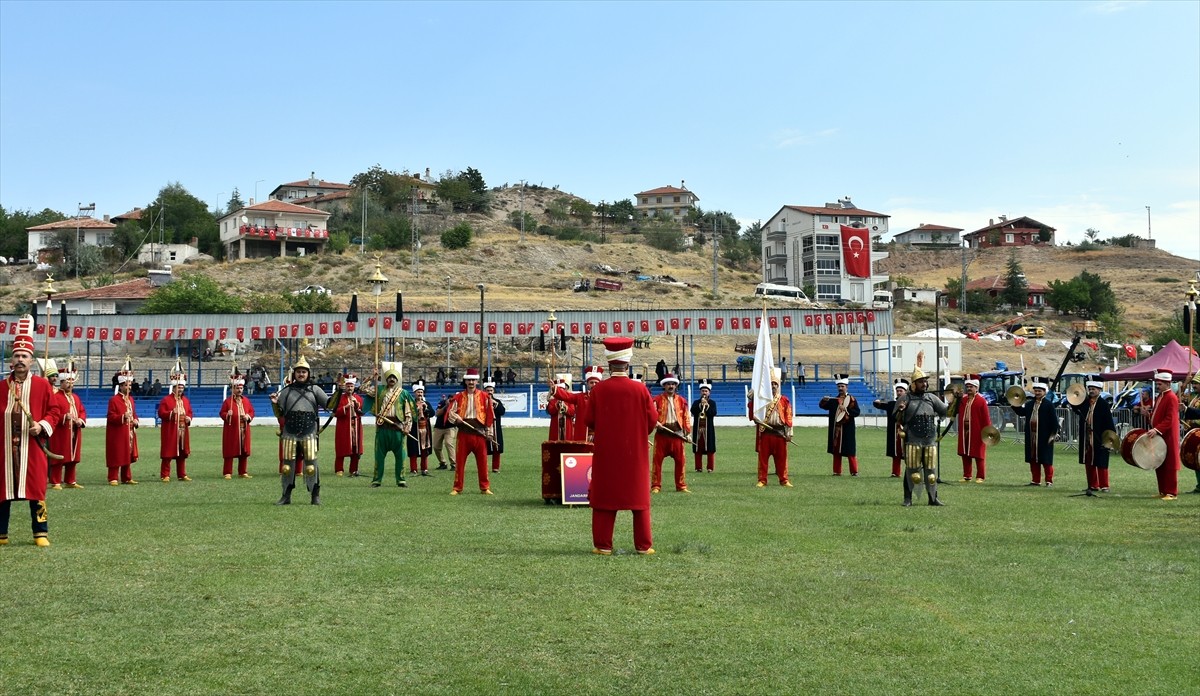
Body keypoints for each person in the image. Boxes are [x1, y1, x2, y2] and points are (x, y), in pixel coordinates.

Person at [583, 336, 659, 555]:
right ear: (628, 363)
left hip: (607, 453)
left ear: (609, 364)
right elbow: (652, 420)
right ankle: (643, 545)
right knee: (639, 500)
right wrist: (638, 433)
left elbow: (589, 420)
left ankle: (603, 545)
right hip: (635, 453)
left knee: (605, 498)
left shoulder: (598, 390)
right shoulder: (641, 389)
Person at [0, 318, 62, 547]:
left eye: (24, 356)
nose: (19, 360)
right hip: (4, 446)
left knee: (35, 487)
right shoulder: (1, 387)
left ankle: (40, 532)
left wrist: (43, 425)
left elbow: (55, 410)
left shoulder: (42, 385)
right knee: (2, 489)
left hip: (31, 445)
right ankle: (1, 534)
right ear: (11, 361)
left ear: (31, 361)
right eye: (16, 356)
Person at [271, 355, 329, 505]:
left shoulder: (315, 389)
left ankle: (315, 495)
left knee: (311, 466)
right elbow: (280, 413)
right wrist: (274, 403)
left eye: (304, 371)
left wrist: (339, 392)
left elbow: (329, 405)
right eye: (298, 372)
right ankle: (286, 495)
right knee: (287, 467)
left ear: (308, 373)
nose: (301, 374)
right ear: (294, 374)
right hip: (290, 432)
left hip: (309, 432)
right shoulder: (286, 391)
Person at [897, 362, 948, 506]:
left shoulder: (931, 398)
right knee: (912, 471)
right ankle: (908, 498)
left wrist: (955, 401)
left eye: (925, 381)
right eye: (921, 382)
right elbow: (896, 418)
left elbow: (946, 411)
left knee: (931, 473)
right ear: (913, 384)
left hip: (930, 441)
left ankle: (933, 498)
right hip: (913, 440)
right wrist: (901, 410)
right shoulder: (904, 399)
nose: (924, 384)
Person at [447, 367, 496, 495]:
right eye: (469, 380)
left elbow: (489, 416)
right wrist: (455, 418)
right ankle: (457, 487)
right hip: (464, 433)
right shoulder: (458, 397)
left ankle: (484, 487)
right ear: (466, 381)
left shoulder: (485, 396)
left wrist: (489, 432)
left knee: (483, 462)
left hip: (479, 433)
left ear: (476, 382)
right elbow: (450, 412)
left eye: (473, 380)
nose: (471, 383)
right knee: (460, 462)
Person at [371, 362, 414, 489]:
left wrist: (407, 427)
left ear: (397, 380)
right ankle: (377, 480)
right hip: (382, 428)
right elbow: (363, 389)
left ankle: (401, 480)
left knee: (401, 457)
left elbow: (408, 412)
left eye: (394, 378)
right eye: (389, 377)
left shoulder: (403, 393)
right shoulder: (379, 391)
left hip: (397, 429)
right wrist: (373, 378)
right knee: (379, 457)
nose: (392, 379)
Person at [1070, 375, 1116, 494]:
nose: (1091, 391)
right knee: (1089, 461)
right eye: (1089, 388)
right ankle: (1092, 485)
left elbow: (1109, 423)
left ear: (1099, 390)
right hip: (1086, 437)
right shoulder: (1084, 402)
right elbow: (1075, 406)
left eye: (1094, 388)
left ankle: (1104, 485)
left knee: (1101, 462)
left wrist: (1110, 438)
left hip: (1099, 436)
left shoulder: (1103, 404)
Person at [1012, 376, 1059, 487]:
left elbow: (1054, 422)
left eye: (1040, 391)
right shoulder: (1030, 404)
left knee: (1046, 459)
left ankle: (1049, 480)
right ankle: (1035, 480)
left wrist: (1053, 435)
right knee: (1033, 459)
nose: (1037, 392)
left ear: (1044, 391)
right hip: (1031, 435)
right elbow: (1022, 412)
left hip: (1044, 436)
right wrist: (1014, 404)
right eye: (1036, 390)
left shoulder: (1048, 405)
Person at [651, 373, 691, 494]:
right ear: (664, 385)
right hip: (662, 435)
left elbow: (686, 418)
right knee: (657, 462)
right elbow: (651, 415)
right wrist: (655, 422)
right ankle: (656, 486)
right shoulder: (656, 400)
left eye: (673, 384)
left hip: (677, 435)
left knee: (681, 462)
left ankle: (681, 485)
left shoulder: (682, 401)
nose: (671, 386)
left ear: (676, 386)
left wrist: (687, 433)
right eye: (668, 384)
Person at [49, 359, 86, 490]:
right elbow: (52, 413)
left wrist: (80, 420)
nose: (70, 384)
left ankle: (70, 480)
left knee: (73, 457)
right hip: (61, 431)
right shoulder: (55, 396)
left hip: (74, 431)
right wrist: (64, 417)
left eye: (72, 382)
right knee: (59, 456)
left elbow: (81, 410)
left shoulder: (75, 397)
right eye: (67, 382)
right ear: (62, 382)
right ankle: (55, 481)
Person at [753, 368, 793, 487]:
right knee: (763, 459)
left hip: (779, 433)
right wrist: (751, 399)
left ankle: (784, 479)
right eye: (771, 384)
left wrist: (789, 433)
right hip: (766, 433)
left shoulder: (784, 400)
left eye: (775, 384)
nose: (773, 386)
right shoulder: (762, 401)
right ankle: (762, 480)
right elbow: (755, 410)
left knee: (782, 459)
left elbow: (789, 416)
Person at [1147, 371, 1181, 500]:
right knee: (1159, 462)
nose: (1157, 385)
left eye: (1160, 383)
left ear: (1167, 383)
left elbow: (1170, 418)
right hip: (1160, 434)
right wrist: (1148, 416)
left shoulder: (1171, 397)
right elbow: (1157, 415)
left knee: (1170, 463)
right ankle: (1163, 490)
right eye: (1157, 383)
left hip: (1168, 435)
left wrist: (1156, 429)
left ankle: (1171, 492)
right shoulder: (1161, 396)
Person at [157, 366, 193, 483]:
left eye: (182, 387)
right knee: (168, 453)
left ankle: (182, 474)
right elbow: (161, 413)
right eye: (179, 387)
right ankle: (165, 474)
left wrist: (189, 418)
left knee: (182, 453)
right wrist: (172, 413)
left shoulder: (186, 400)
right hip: (171, 429)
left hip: (183, 429)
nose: (181, 389)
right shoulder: (166, 400)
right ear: (174, 387)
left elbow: (190, 412)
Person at [819, 375, 861, 476]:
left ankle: (854, 471)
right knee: (836, 450)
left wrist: (846, 410)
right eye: (839, 386)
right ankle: (837, 471)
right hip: (836, 429)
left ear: (846, 386)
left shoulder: (852, 399)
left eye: (842, 386)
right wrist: (824, 400)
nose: (840, 388)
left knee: (850, 450)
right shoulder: (833, 399)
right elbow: (822, 406)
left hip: (848, 429)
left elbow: (857, 412)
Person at [106, 362, 140, 485]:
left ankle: (127, 477)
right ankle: (113, 477)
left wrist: (135, 420)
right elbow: (111, 417)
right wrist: (122, 417)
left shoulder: (130, 399)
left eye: (130, 384)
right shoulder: (113, 400)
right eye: (126, 385)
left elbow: (134, 413)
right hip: (118, 431)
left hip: (129, 431)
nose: (128, 387)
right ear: (120, 386)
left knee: (128, 453)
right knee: (117, 453)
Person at [955, 375, 993, 483]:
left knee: (978, 454)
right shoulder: (963, 400)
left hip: (977, 432)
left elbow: (986, 419)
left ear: (976, 387)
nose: (969, 388)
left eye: (971, 386)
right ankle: (967, 475)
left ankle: (980, 476)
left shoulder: (981, 401)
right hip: (964, 431)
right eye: (967, 386)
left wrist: (987, 432)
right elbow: (953, 408)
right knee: (965, 453)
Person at [219, 370, 255, 479]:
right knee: (230, 450)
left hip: (244, 429)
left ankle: (243, 472)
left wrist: (248, 416)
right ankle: (227, 472)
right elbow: (222, 413)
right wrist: (227, 414)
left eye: (241, 388)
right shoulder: (227, 402)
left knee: (244, 450)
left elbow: (252, 412)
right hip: (232, 429)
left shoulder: (246, 401)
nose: (239, 390)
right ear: (233, 389)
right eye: (237, 388)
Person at [552, 365, 602, 443]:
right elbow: (567, 396)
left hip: (600, 433)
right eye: (591, 382)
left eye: (596, 382)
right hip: (583, 434)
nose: (594, 385)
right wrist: (554, 388)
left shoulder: (605, 397)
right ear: (587, 384)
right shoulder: (580, 397)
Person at [872, 379, 908, 478]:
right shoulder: (892, 404)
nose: (899, 392)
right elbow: (878, 405)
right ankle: (895, 472)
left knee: (908, 452)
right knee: (896, 453)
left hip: (907, 431)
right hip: (894, 432)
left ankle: (910, 472)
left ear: (905, 391)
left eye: (901, 390)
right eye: (898, 390)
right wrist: (877, 402)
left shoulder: (910, 403)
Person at [331, 373, 365, 477]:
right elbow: (335, 412)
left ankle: (353, 469)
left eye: (351, 386)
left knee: (356, 449)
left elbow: (361, 412)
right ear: (345, 387)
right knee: (341, 447)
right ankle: (339, 469)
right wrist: (345, 407)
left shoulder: (359, 398)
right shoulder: (340, 398)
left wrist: (356, 405)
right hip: (344, 426)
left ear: (354, 387)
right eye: (348, 386)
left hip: (356, 427)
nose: (350, 388)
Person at [406, 380, 435, 476]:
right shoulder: (411, 403)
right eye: (418, 392)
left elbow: (432, 413)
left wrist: (426, 408)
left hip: (425, 429)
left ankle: (424, 468)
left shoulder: (426, 403)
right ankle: (413, 469)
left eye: (421, 392)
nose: (420, 394)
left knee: (424, 449)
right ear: (414, 393)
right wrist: (416, 409)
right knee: (413, 448)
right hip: (414, 428)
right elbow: (408, 414)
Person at [691, 379, 718, 473]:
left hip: (708, 429)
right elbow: (693, 411)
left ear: (709, 392)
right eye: (702, 391)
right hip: (698, 428)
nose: (704, 393)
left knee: (710, 448)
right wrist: (700, 405)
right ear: (700, 392)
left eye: (706, 391)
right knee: (698, 447)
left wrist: (706, 407)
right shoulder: (695, 402)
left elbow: (713, 413)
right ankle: (698, 467)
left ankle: (710, 468)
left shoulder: (712, 403)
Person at [546, 374, 577, 442]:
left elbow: (572, 412)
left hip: (567, 426)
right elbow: (550, 411)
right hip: (555, 426)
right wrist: (556, 406)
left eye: (562, 389)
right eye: (559, 390)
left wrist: (565, 408)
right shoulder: (552, 401)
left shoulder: (569, 400)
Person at [483, 381, 505, 473]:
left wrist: (495, 404)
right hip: (484, 427)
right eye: (488, 390)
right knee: (483, 448)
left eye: (491, 390)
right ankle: (483, 468)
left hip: (496, 427)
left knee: (497, 447)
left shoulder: (498, 402)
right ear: (484, 391)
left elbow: (502, 412)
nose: (489, 392)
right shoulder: (481, 401)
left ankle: (495, 467)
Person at [432, 392, 457, 471]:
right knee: (436, 447)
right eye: (450, 398)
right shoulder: (442, 403)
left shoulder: (457, 405)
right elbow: (437, 414)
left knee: (448, 443)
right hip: (439, 427)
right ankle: (442, 463)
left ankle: (454, 464)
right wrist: (446, 406)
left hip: (450, 428)